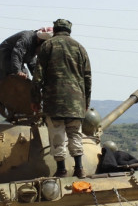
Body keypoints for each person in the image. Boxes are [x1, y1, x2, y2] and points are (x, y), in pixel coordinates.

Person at [31, 19, 92, 178]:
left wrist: (36, 100)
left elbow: (38, 76)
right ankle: (79, 168)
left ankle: (61, 170)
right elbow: (87, 77)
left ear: (55, 30)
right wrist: (86, 102)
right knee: (75, 134)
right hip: (76, 101)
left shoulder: (47, 46)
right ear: (69, 30)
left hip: (54, 100)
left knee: (57, 135)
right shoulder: (80, 48)